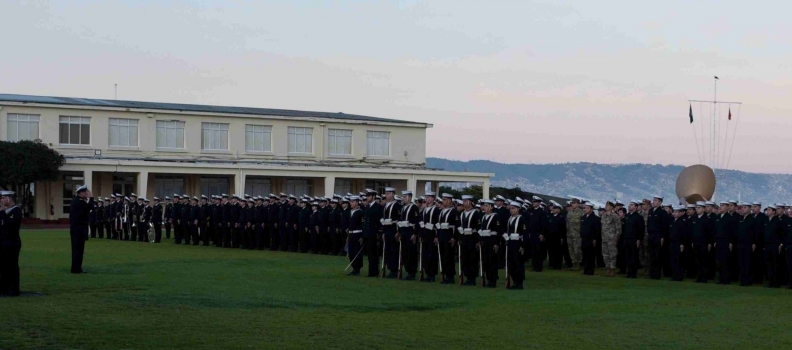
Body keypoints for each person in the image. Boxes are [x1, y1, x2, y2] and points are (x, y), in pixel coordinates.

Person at [0, 191, 22, 296]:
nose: (2, 200)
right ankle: (4, 288)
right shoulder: (2, 212)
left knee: (12, 265)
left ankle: (13, 290)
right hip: (3, 241)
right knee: (3, 266)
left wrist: (3, 213)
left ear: (9, 198)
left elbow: (11, 225)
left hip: (12, 242)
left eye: (3, 198)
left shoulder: (16, 210)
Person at [69, 185, 94, 274]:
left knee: (78, 249)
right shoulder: (79, 202)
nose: (86, 193)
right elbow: (90, 207)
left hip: (77, 228)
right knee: (78, 249)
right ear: (80, 193)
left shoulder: (78, 201)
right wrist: (91, 197)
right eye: (85, 192)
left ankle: (77, 267)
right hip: (78, 228)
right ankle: (76, 268)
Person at [478, 199, 502, 287]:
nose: (485, 207)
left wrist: (497, 243)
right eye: (484, 205)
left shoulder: (495, 216)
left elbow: (498, 231)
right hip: (485, 240)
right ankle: (488, 278)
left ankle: (493, 280)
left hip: (492, 240)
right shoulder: (484, 216)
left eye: (487, 206)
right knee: (486, 261)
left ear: (491, 207)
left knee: (492, 260)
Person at [398, 191, 420, 280]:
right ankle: (407, 270)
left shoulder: (414, 207)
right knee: (405, 253)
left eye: (405, 196)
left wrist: (415, 234)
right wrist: (399, 232)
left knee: (412, 253)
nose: (403, 198)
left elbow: (417, 221)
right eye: (403, 196)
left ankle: (412, 272)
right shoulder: (403, 208)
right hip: (404, 232)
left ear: (410, 197)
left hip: (410, 232)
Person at [504, 201, 527, 289]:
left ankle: (519, 283)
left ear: (518, 209)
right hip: (510, 242)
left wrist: (522, 246)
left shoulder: (521, 219)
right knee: (511, 263)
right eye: (511, 208)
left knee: (518, 263)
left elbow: (524, 233)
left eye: (513, 208)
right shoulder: (510, 219)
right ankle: (514, 281)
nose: (511, 210)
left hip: (518, 243)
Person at [381, 188, 402, 278]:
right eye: (386, 193)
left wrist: (398, 232)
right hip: (387, 230)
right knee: (388, 251)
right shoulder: (386, 205)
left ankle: (394, 270)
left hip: (393, 230)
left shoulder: (396, 205)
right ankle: (390, 269)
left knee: (394, 251)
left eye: (389, 193)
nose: (387, 195)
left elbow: (399, 219)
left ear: (393, 194)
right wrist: (383, 232)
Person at [646, 195, 669, 280]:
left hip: (658, 236)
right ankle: (651, 274)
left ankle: (657, 274)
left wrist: (663, 237)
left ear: (660, 202)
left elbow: (665, 226)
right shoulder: (651, 211)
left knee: (657, 255)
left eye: (655, 200)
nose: (654, 202)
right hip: (651, 235)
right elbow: (648, 223)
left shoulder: (662, 212)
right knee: (651, 255)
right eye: (653, 200)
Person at [420, 192, 441, 282]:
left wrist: (437, 236)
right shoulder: (424, 210)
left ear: (433, 199)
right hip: (425, 235)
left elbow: (438, 224)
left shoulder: (436, 210)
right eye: (426, 197)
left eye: (429, 197)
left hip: (432, 235)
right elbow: (421, 223)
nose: (427, 199)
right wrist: (420, 235)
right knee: (425, 255)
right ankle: (427, 273)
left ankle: (432, 275)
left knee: (432, 255)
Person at [763, 205, 784, 288]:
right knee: (768, 264)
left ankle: (776, 282)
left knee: (775, 264)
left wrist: (781, 244)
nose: (767, 211)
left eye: (769, 210)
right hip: (767, 245)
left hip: (775, 245)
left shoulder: (778, 221)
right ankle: (770, 281)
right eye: (767, 210)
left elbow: (782, 233)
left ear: (773, 211)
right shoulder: (766, 220)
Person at [363, 189, 383, 277]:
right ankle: (371, 271)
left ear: (373, 197)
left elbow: (380, 222)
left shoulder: (378, 207)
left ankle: (374, 271)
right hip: (368, 233)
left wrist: (379, 233)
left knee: (374, 254)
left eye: (369, 196)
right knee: (369, 253)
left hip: (374, 234)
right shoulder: (367, 207)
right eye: (367, 196)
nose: (367, 198)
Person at [735, 203, 756, 286]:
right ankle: (743, 280)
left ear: (749, 209)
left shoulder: (752, 219)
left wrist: (754, 243)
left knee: (748, 263)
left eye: (745, 207)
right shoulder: (740, 218)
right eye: (742, 207)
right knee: (741, 262)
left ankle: (748, 280)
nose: (743, 209)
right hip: (740, 243)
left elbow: (755, 232)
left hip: (748, 244)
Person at [623, 201, 645, 278]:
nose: (629, 206)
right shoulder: (627, 216)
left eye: (631, 205)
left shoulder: (639, 217)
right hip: (627, 239)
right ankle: (629, 272)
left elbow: (641, 229)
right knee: (628, 256)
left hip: (634, 239)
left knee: (634, 256)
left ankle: (633, 273)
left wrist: (639, 239)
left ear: (636, 207)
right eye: (629, 205)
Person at [668, 205, 689, 281]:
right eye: (674, 212)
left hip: (679, 243)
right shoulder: (672, 221)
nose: (675, 213)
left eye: (677, 212)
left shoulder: (682, 222)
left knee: (679, 260)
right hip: (672, 242)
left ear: (680, 213)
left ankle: (679, 276)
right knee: (673, 259)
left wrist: (682, 243)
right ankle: (674, 275)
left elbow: (685, 234)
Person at [600, 201, 621, 277]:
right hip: (604, 238)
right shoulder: (603, 216)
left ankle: (612, 269)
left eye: (608, 205)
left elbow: (618, 228)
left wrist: (616, 238)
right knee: (605, 255)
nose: (606, 207)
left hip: (612, 238)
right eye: (606, 205)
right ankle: (608, 268)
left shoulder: (615, 216)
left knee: (612, 254)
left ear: (611, 207)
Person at [580, 202, 601, 276]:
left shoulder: (596, 219)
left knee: (590, 256)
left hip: (591, 239)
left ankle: (590, 271)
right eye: (585, 208)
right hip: (584, 239)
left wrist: (595, 239)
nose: (585, 209)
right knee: (585, 255)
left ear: (591, 209)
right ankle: (585, 269)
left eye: (587, 208)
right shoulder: (583, 218)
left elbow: (597, 230)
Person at [346, 196, 365, 276]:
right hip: (351, 234)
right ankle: (354, 268)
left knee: (357, 252)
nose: (351, 203)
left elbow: (363, 225)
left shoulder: (360, 212)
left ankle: (357, 269)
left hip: (357, 234)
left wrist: (362, 236)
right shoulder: (350, 212)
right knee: (351, 252)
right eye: (351, 202)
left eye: (353, 202)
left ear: (357, 202)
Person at [566, 198, 584, 271]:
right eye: (572, 203)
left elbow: (583, 224)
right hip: (569, 234)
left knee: (577, 250)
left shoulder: (581, 212)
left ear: (578, 204)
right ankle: (574, 263)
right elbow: (567, 223)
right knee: (571, 249)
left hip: (577, 234)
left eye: (574, 203)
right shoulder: (569, 212)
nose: (573, 204)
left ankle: (578, 263)